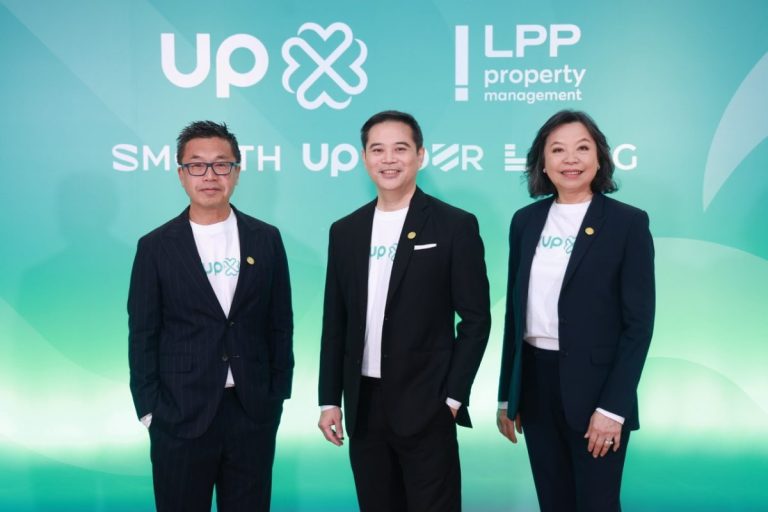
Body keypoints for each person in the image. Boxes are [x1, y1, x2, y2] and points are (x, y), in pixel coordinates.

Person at [318, 110, 491, 511]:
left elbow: (476, 320)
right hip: (363, 405)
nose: (389, 159)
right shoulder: (345, 231)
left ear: (420, 155)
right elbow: (335, 322)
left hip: (427, 404)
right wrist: (329, 400)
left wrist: (452, 397)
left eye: (400, 148)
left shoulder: (454, 225)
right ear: (365, 158)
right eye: (378, 150)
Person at [128, 121, 293, 511]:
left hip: (251, 411)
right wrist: (150, 411)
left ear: (236, 172)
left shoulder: (266, 238)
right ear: (181, 174)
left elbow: (279, 324)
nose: (209, 175)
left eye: (221, 164)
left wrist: (276, 397)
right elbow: (143, 333)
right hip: (180, 413)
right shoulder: (155, 246)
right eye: (197, 165)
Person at [496, 110, 655, 511]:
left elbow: (638, 326)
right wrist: (507, 395)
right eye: (558, 150)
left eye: (582, 148)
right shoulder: (525, 222)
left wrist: (613, 408)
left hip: (597, 389)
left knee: (597, 503)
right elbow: (515, 315)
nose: (571, 159)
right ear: (542, 162)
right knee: (554, 502)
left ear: (599, 159)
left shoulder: (627, 223)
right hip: (535, 385)